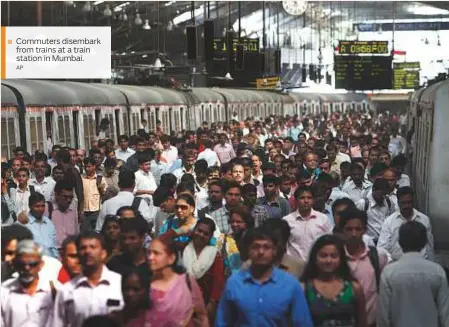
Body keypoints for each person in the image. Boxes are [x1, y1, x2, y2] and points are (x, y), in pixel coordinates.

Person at [216, 227, 314, 327]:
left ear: (275, 251)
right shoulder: (234, 283)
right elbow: (222, 322)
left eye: (266, 247)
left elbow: (302, 323)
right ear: (248, 250)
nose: (261, 252)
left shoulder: (290, 285)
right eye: (255, 247)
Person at [377, 221, 449, 327]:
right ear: (424, 242)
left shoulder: (389, 273)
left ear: (400, 242)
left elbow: (383, 316)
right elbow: (445, 315)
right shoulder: (437, 272)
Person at [51, 232, 124, 327]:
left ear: (103, 253)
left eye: (93, 247)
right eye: (83, 248)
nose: (87, 251)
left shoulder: (119, 283)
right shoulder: (66, 291)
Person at [301, 234, 368, 327]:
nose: (328, 260)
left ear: (341, 259)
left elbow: (362, 323)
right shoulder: (304, 288)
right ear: (315, 258)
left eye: (334, 256)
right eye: (323, 256)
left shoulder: (354, 288)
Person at [339, 208, 389, 326]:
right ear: (342, 231)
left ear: (365, 230)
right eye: (349, 229)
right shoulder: (337, 258)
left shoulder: (378, 257)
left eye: (358, 229)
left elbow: (385, 291)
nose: (354, 234)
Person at [146, 237, 209, 326]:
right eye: (149, 253)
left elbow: (202, 316)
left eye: (156, 253)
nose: (150, 257)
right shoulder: (145, 284)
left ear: (171, 258)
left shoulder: (186, 282)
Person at [1, 240, 60, 327]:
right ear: (14, 264)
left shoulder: (55, 289)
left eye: (32, 264)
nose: (27, 268)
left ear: (41, 265)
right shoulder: (4, 291)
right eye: (21, 264)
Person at [182, 217, 225, 324]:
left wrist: (212, 304)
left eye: (206, 233)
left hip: (205, 305)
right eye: (199, 230)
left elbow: (217, 282)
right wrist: (180, 230)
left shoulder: (214, 254)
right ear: (194, 230)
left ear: (210, 237)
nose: (201, 235)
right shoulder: (183, 250)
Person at [377, 186, 434, 261]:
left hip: (421, 263)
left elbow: (429, 247)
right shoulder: (389, 222)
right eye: (403, 203)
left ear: (413, 202)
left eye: (409, 202)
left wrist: (431, 264)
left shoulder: (424, 220)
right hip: (396, 263)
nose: (406, 206)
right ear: (398, 203)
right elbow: (382, 248)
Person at [283, 185, 333, 261]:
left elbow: (330, 243)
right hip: (294, 268)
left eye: (309, 198)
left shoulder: (323, 219)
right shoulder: (287, 221)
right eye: (302, 198)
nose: (306, 201)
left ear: (313, 200)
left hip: (317, 266)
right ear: (296, 200)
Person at [18, 192, 59, 258]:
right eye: (37, 206)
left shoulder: (49, 223)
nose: (41, 209)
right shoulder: (23, 224)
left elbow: (54, 247)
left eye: (43, 206)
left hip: (50, 263)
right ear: (30, 206)